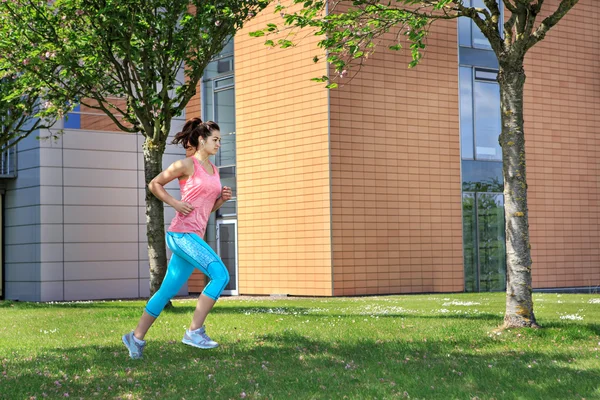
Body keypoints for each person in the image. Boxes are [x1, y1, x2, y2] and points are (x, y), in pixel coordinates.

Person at [122, 117, 233, 359]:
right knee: (221, 274)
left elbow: (205, 209)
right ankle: (194, 331)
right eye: (215, 140)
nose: (218, 144)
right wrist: (174, 202)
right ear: (202, 141)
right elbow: (155, 183)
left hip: (193, 235)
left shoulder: (214, 171)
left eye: (220, 140)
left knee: (166, 291)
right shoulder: (185, 165)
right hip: (181, 234)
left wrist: (221, 201)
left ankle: (135, 337)